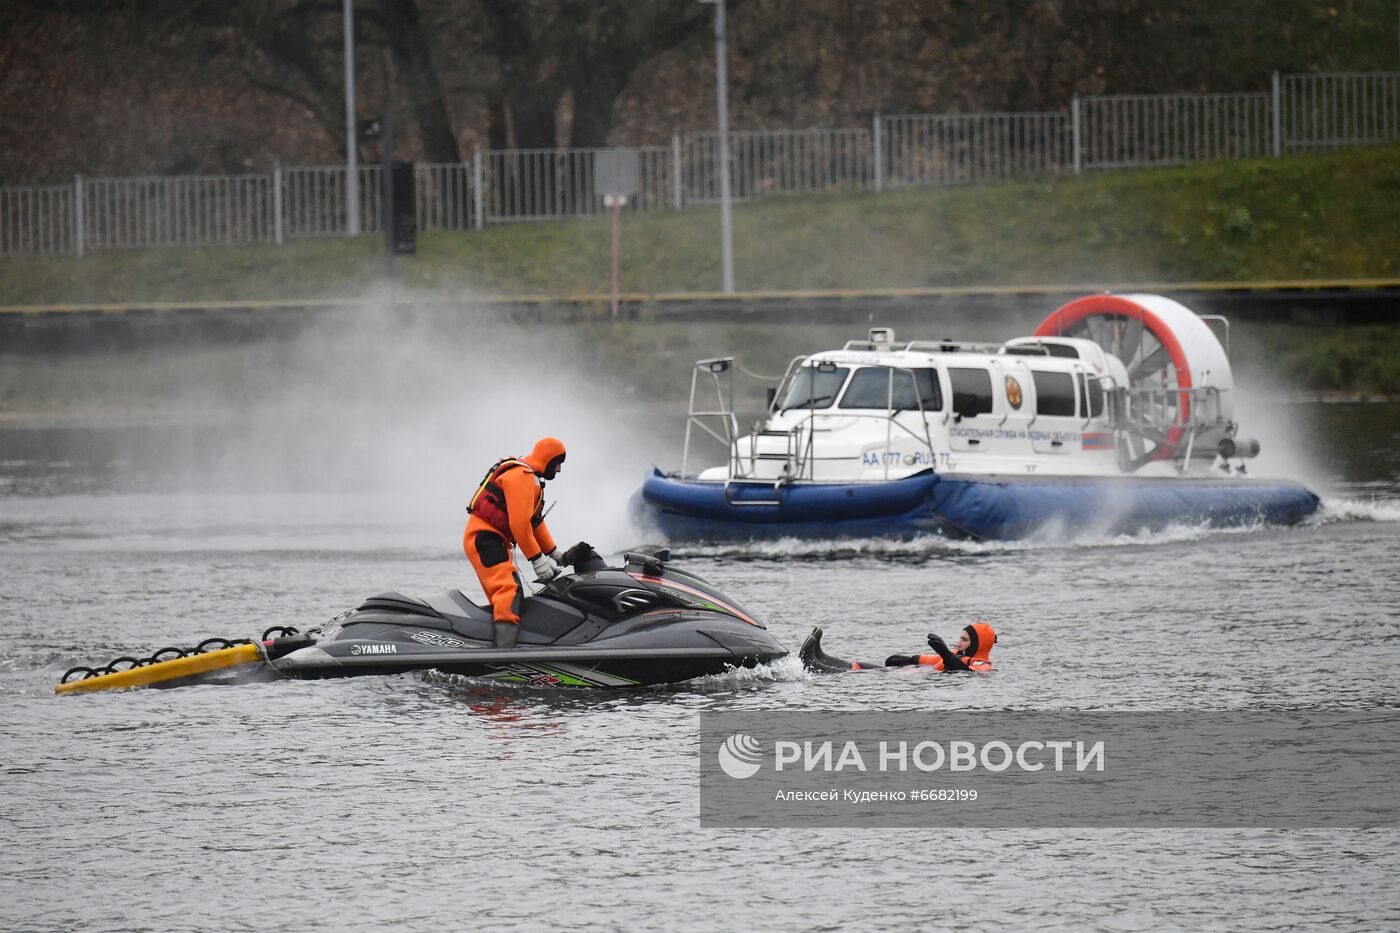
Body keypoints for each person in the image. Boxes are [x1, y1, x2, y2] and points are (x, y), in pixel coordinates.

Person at [463, 437, 570, 648]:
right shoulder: (521, 476)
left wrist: (555, 554)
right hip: (484, 539)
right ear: (548, 460)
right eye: (558, 463)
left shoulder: (531, 479)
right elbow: (520, 526)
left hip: (490, 539)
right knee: (509, 591)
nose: (558, 470)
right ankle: (504, 654)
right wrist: (538, 561)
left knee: (508, 594)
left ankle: (495, 642)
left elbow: (534, 522)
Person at [798, 622, 997, 674]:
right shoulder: (956, 655)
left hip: (901, 681)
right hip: (900, 673)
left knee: (854, 674)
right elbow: (929, 661)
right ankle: (819, 657)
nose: (959, 642)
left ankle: (813, 665)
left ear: (978, 644)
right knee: (858, 666)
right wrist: (909, 659)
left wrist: (944, 653)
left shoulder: (982, 664)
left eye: (964, 640)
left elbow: (966, 672)